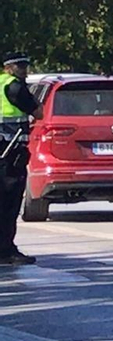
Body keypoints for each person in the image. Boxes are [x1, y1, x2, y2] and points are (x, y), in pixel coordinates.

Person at [0, 54, 40, 265]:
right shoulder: (15, 87)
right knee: (9, 203)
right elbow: (39, 112)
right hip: (10, 154)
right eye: (20, 66)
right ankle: (6, 251)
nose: (24, 70)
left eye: (25, 66)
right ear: (8, 67)